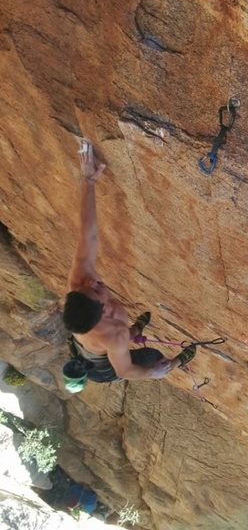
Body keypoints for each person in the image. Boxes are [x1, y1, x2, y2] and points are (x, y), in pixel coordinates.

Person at [62, 139, 195, 392]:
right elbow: (124, 370)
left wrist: (88, 181)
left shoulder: (80, 283)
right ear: (103, 311)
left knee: (128, 331)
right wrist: (152, 373)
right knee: (153, 357)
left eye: (85, 288)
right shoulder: (114, 335)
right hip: (104, 367)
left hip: (88, 346)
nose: (92, 282)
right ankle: (179, 361)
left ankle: (136, 328)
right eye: (97, 291)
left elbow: (87, 235)